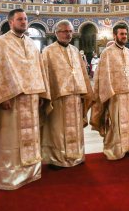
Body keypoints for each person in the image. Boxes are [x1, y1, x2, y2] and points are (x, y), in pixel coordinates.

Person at [0, 9, 50, 190]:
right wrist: (1, 97)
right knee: (10, 138)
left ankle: (29, 172)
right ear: (10, 22)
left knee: (30, 138)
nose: (24, 22)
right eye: (20, 19)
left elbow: (37, 69)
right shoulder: (0, 43)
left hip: (31, 100)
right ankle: (7, 174)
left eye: (25, 19)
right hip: (10, 100)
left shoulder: (32, 44)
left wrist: (41, 94)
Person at [41, 20, 95, 168]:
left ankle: (76, 156)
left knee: (75, 129)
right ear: (57, 33)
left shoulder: (75, 51)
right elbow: (44, 75)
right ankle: (57, 158)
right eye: (65, 31)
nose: (68, 34)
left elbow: (83, 74)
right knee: (58, 130)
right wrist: (46, 96)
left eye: (70, 31)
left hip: (76, 97)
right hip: (58, 97)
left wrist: (85, 93)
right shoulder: (48, 51)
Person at [90, 24, 129, 160]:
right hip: (115, 95)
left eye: (125, 34)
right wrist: (108, 94)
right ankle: (114, 149)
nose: (124, 36)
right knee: (116, 123)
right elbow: (102, 76)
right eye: (121, 34)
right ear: (115, 35)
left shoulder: (128, 52)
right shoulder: (107, 53)